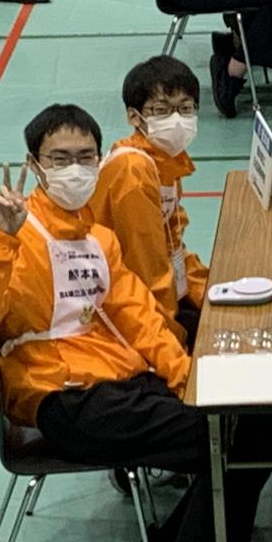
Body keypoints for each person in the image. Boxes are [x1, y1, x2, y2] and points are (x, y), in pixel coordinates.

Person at [0, 104, 272, 542]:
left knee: (261, 426)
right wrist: (3, 241)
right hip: (63, 398)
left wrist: (189, 379)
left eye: (85, 156)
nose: (74, 168)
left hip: (122, 383)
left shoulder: (99, 240)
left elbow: (142, 318)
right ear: (35, 165)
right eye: (60, 158)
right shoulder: (12, 234)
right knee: (232, 438)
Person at [89, 56, 208, 351]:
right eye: (161, 110)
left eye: (185, 108)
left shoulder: (165, 161)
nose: (176, 119)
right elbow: (147, 268)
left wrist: (209, 290)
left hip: (159, 291)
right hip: (123, 304)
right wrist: (171, 343)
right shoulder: (134, 172)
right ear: (134, 117)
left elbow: (172, 244)